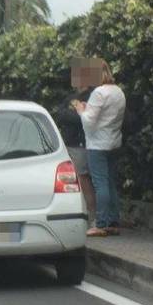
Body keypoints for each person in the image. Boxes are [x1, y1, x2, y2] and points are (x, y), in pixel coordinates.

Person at [74, 60, 126, 237]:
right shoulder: (118, 91)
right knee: (110, 183)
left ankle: (101, 224)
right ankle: (113, 221)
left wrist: (81, 110)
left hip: (97, 145)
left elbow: (89, 123)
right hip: (114, 142)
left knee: (100, 184)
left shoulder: (98, 92)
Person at [55, 86, 96, 226]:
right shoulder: (71, 96)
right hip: (68, 144)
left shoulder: (92, 95)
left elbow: (84, 119)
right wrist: (73, 114)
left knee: (83, 178)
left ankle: (92, 216)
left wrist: (72, 115)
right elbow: (60, 114)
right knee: (69, 181)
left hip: (81, 144)